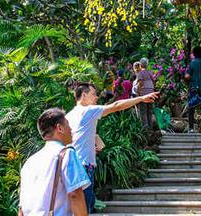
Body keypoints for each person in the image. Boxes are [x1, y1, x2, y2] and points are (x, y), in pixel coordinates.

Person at [66, 82, 159, 213]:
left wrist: (90, 148)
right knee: (84, 210)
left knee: (78, 209)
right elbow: (115, 106)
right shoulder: (88, 111)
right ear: (84, 95)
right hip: (84, 169)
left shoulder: (69, 116)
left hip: (73, 168)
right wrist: (141, 98)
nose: (97, 97)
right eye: (94, 94)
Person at [19, 108, 90, 216]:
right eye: (68, 124)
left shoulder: (29, 162)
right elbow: (75, 194)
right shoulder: (66, 153)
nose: (71, 129)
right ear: (59, 128)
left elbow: (21, 209)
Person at [136, 58, 156, 129]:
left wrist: (137, 93)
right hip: (151, 94)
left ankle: (145, 128)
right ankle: (150, 126)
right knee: (149, 111)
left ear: (140, 65)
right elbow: (154, 82)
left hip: (143, 94)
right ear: (147, 65)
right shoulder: (150, 72)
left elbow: (141, 83)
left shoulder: (140, 73)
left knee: (143, 111)